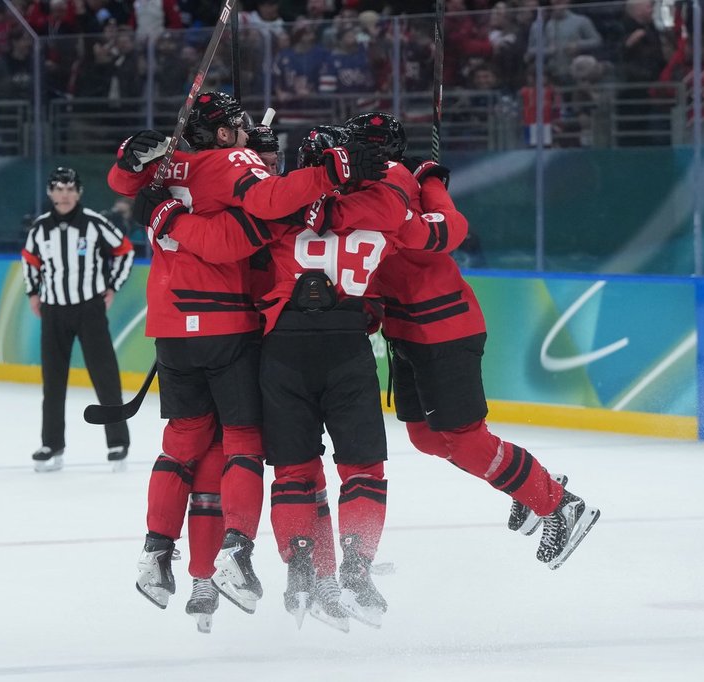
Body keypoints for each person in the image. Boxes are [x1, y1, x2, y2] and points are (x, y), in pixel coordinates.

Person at [146, 123, 468, 631]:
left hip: (282, 353)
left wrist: (173, 217)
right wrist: (429, 184)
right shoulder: (386, 211)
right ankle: (356, 569)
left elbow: (228, 238)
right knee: (363, 470)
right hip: (347, 349)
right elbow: (444, 233)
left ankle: (299, 569)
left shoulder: (280, 211)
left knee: (294, 473)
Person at [107, 91, 387, 615]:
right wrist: (326, 178)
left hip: (171, 326)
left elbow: (126, 181)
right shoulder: (236, 166)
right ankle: (239, 554)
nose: (264, 161)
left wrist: (129, 159)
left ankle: (163, 556)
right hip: (232, 324)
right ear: (224, 134)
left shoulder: (168, 170)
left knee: (186, 443)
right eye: (245, 135)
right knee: (247, 445)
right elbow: (252, 215)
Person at [346, 111, 601, 571]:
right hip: (407, 333)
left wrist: (430, 189)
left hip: (444, 331)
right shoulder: (370, 188)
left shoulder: (394, 186)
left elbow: (448, 231)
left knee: (464, 441)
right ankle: (527, 480)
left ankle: (560, 503)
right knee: (425, 437)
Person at [20, 167, 135, 473]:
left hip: (89, 308)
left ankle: (117, 442)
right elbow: (29, 260)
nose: (65, 194)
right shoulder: (40, 228)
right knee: (53, 381)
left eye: (70, 188)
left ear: (79, 192)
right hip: (53, 311)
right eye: (59, 188)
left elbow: (124, 251)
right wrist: (33, 292)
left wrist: (113, 285)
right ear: (50, 193)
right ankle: (51, 443)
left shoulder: (96, 223)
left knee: (105, 376)